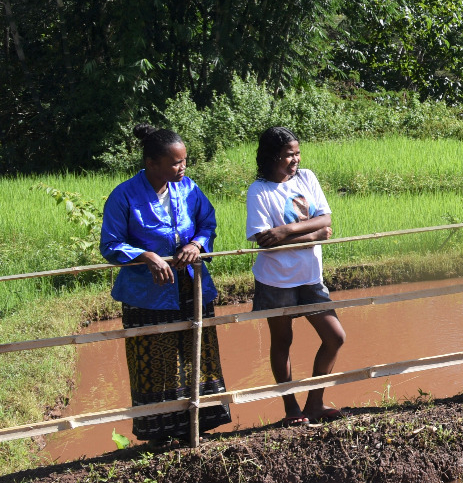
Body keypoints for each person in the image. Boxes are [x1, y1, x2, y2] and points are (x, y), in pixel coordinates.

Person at [99, 123, 230, 442]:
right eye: (175, 162)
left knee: (197, 353)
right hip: (148, 295)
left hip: (191, 286)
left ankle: (198, 429)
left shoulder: (189, 189)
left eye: (184, 161)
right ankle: (162, 437)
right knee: (157, 363)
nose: (182, 167)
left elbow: (207, 224)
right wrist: (146, 255)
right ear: (152, 163)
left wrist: (196, 245)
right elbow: (111, 245)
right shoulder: (124, 195)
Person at [246, 126, 347, 425]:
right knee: (282, 341)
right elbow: (266, 240)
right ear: (271, 156)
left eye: (297, 153)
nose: (295, 160)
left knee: (335, 337)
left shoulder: (307, 178)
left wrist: (286, 231)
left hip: (310, 277)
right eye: (288, 155)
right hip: (276, 280)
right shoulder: (259, 191)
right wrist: (314, 233)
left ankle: (314, 403)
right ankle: (291, 409)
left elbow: (327, 220)